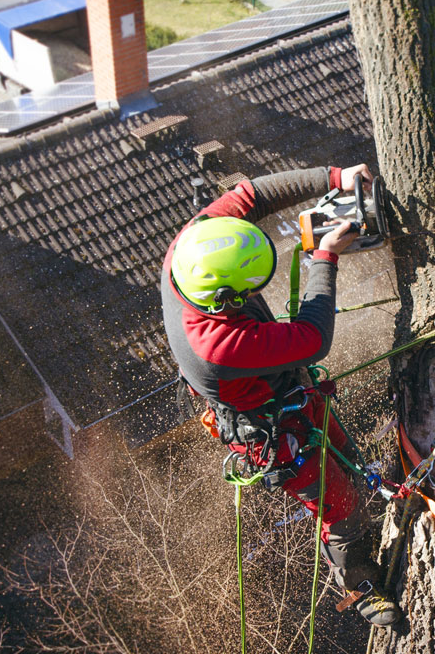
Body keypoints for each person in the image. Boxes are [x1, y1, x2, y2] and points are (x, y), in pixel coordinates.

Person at [161, 164, 402, 628]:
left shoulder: (193, 245)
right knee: (338, 503)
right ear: (226, 299)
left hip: (292, 390)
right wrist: (324, 258)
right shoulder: (218, 347)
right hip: (272, 428)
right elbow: (313, 335)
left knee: (347, 457)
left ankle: (371, 506)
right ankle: (361, 585)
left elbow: (252, 194)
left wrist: (335, 177)